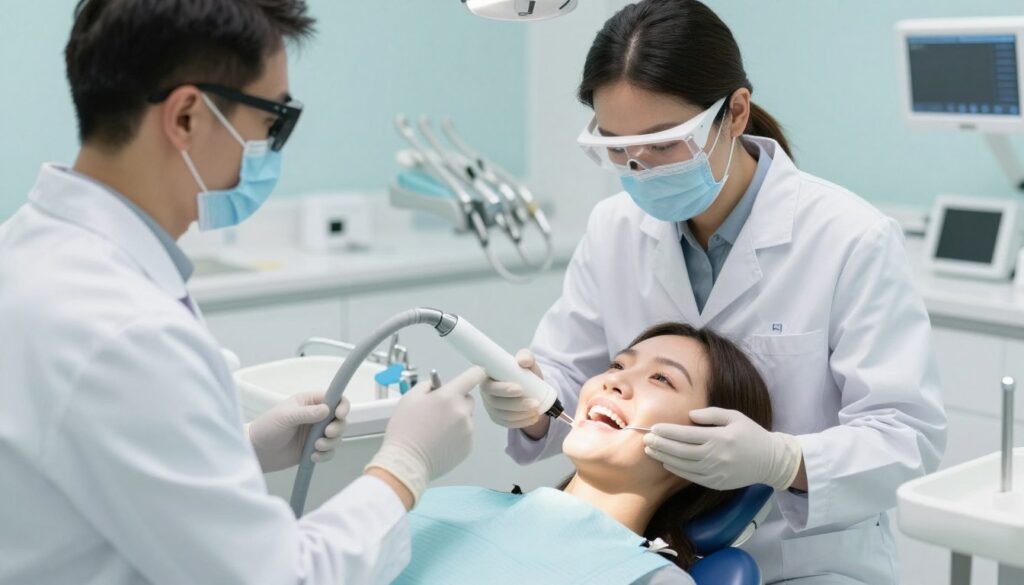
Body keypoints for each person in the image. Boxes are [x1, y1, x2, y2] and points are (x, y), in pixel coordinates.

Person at [0, 1, 483, 583]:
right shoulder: (126, 330)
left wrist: (241, 448)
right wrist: (403, 468)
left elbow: (94, 471)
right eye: (272, 121)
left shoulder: (28, 250)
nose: (271, 146)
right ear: (186, 117)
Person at [478, 1, 947, 582]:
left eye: (662, 142)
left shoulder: (850, 238)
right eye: (617, 147)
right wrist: (531, 406)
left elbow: (907, 438)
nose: (640, 167)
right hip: (650, 551)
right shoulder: (614, 228)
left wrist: (783, 459)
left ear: (735, 113)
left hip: (806, 558)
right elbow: (568, 381)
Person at [394, 323, 773, 585]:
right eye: (617, 364)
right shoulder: (452, 503)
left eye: (661, 378)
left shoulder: (648, 579)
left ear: (709, 449)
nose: (614, 380)